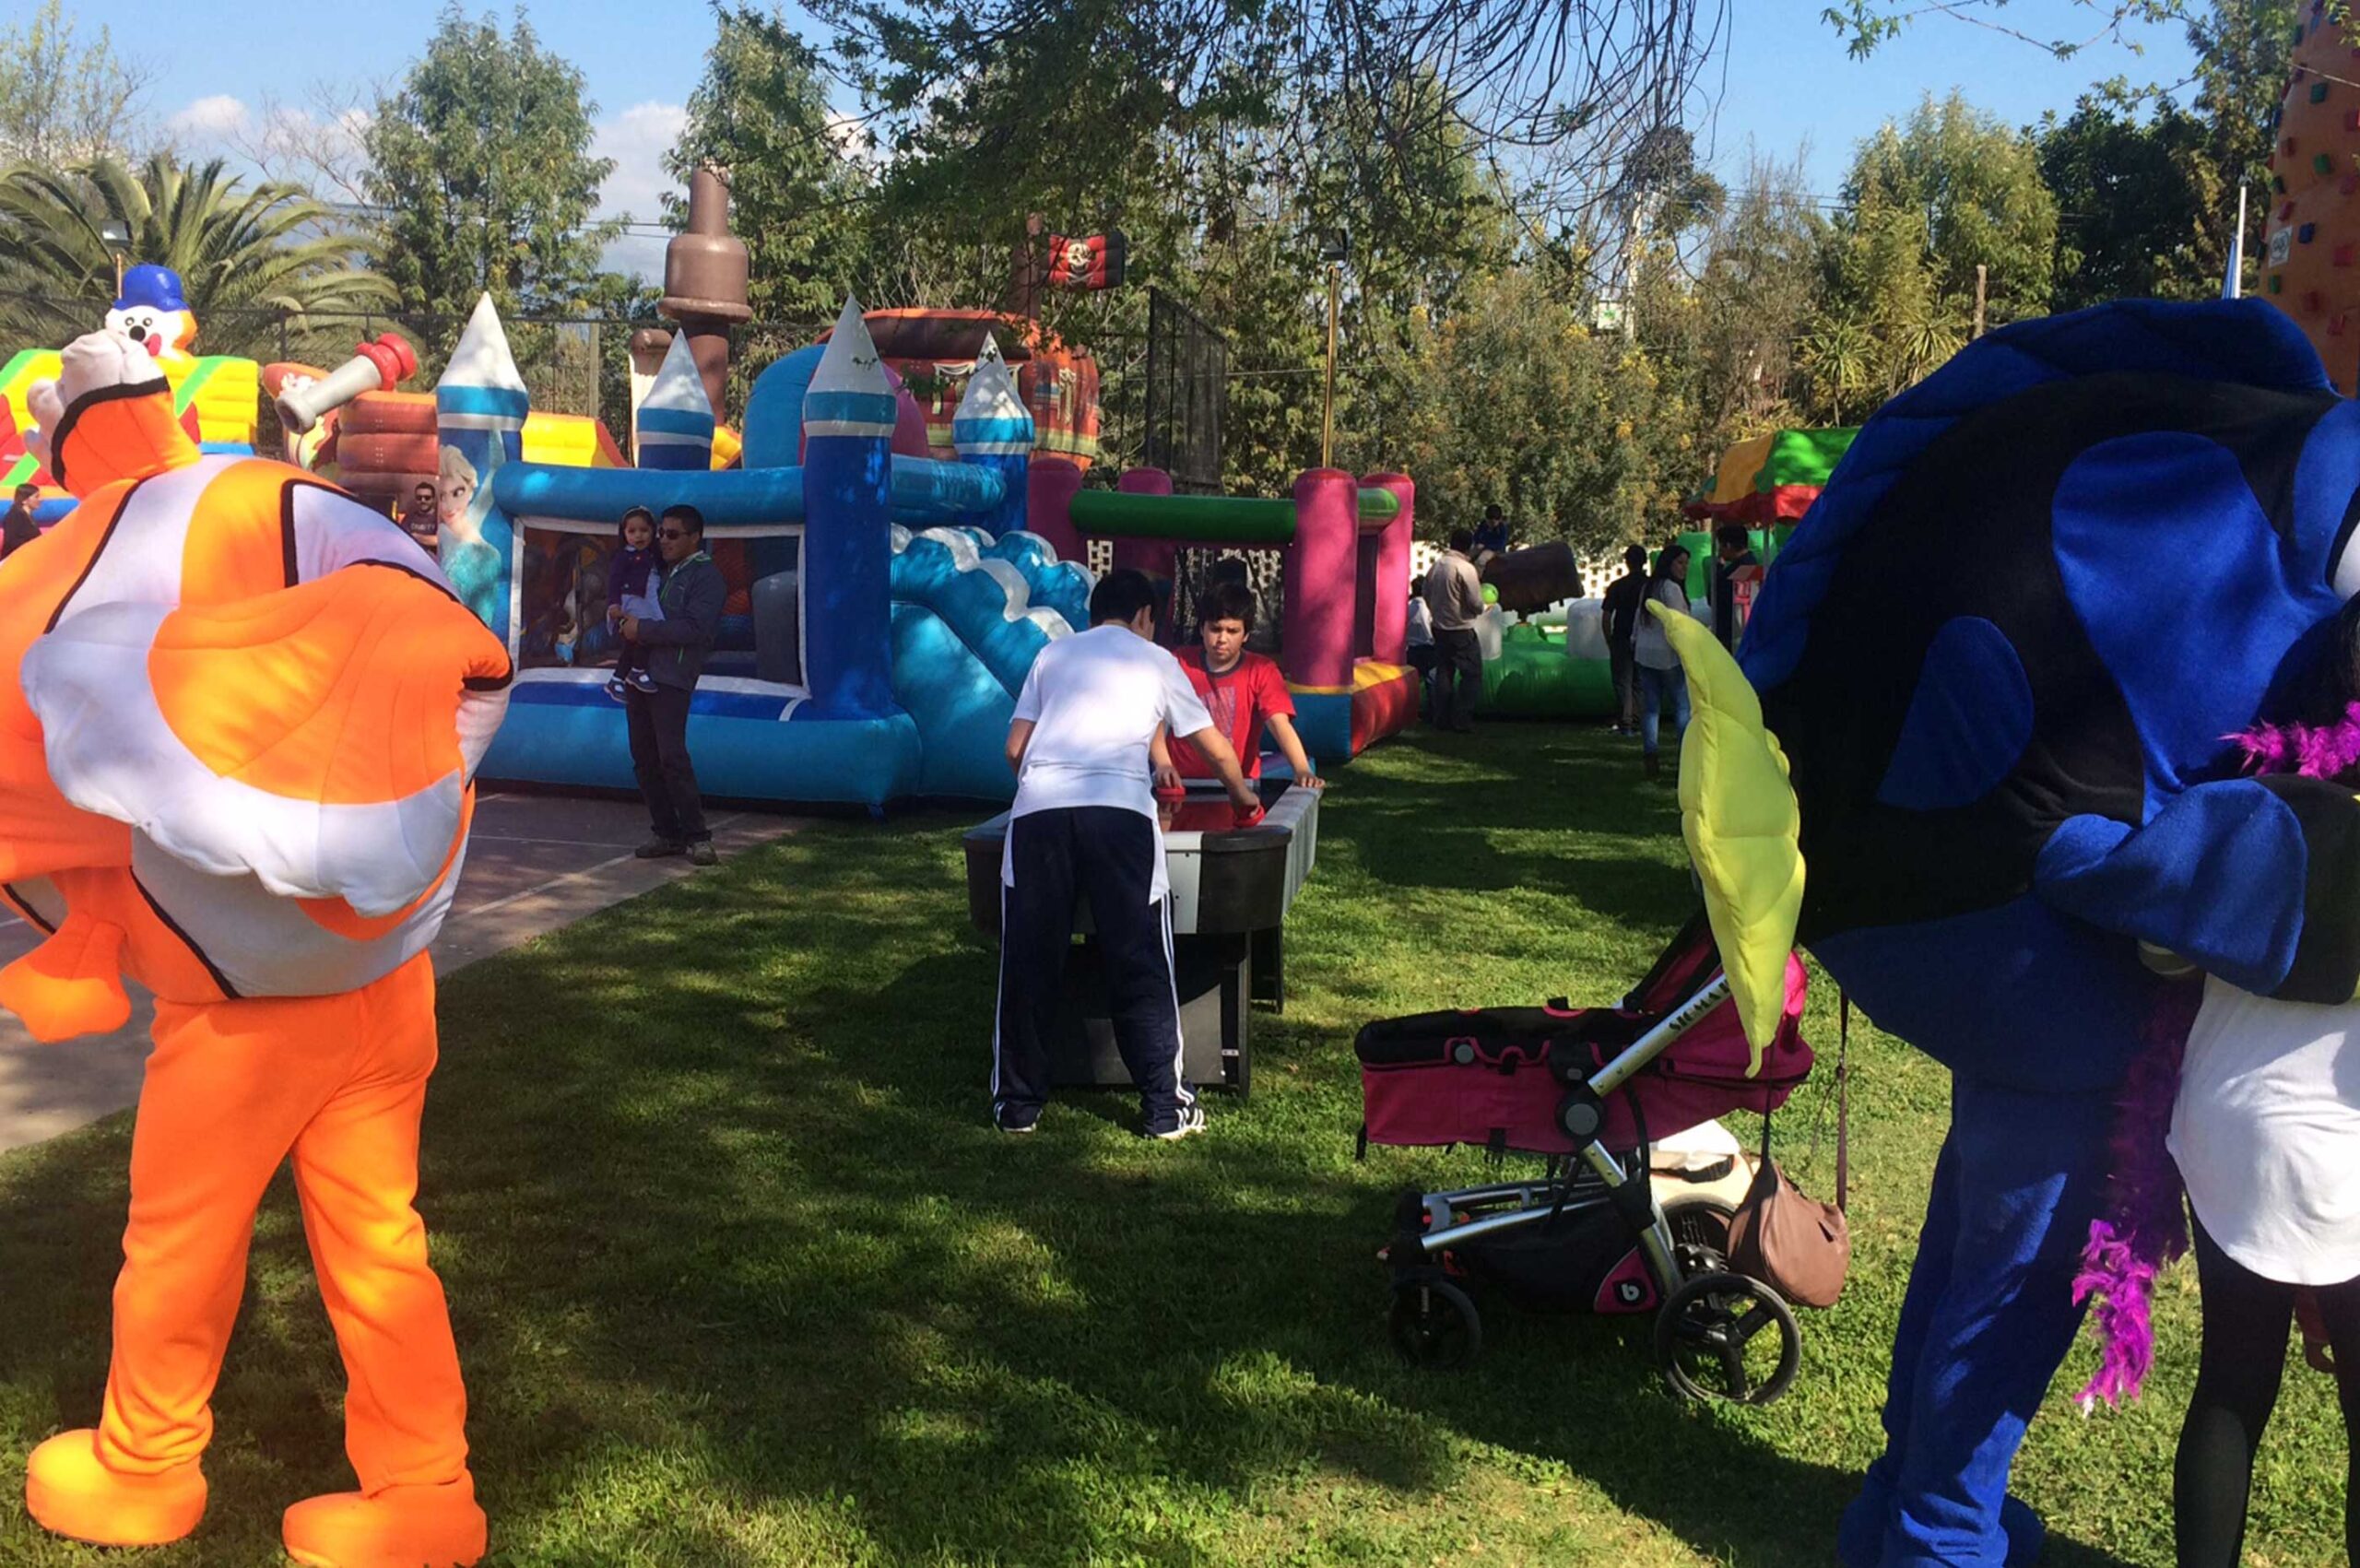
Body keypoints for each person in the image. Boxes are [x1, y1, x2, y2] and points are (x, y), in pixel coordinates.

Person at [996, 569, 1259, 1140]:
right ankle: (1164, 1109)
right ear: (1144, 616)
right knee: (1138, 958)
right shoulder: (1154, 658)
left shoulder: (1053, 655)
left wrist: (1043, 788)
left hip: (1040, 811)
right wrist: (1244, 800)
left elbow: (1016, 747)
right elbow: (1212, 745)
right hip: (1118, 812)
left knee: (1029, 960)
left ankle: (1018, 1106)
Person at [619, 504, 724, 867]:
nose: (663, 539)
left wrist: (642, 630)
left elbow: (696, 629)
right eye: (661, 532)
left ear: (696, 538)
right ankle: (666, 832)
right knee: (643, 758)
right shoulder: (658, 569)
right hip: (639, 674)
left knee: (672, 757)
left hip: (671, 679)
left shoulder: (705, 577)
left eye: (672, 534)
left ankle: (697, 836)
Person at [1155, 579, 1325, 790]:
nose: (1222, 639)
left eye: (1232, 631)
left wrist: (1301, 769)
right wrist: (1163, 764)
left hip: (1240, 787)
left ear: (1246, 635)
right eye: (1215, 629)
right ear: (1202, 628)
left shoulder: (1262, 670)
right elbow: (1157, 719)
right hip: (1181, 786)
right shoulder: (1179, 663)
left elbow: (1280, 724)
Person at [1632, 543, 1691, 779]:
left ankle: (1651, 753)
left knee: (1651, 708)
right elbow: (1680, 622)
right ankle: (1686, 756)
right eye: (1680, 563)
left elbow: (1638, 617)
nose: (1684, 568)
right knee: (1682, 706)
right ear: (1669, 563)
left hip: (1645, 653)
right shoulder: (1671, 589)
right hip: (1668, 655)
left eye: (1686, 564)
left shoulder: (1649, 586)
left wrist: (1635, 640)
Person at [1423, 528, 1486, 733]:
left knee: (1444, 672)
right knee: (1472, 674)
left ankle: (1441, 718)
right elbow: (1475, 602)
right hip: (1461, 628)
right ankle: (1462, 719)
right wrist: (1484, 607)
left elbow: (1426, 593)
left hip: (1439, 627)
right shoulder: (1465, 568)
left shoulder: (1437, 566)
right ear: (1469, 546)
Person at [604, 506, 661, 702]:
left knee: (636, 641)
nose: (639, 536)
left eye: (644, 530)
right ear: (624, 534)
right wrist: (613, 605)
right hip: (631, 600)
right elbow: (614, 581)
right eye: (632, 531)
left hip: (647, 599)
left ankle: (618, 678)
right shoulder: (624, 556)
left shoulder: (653, 555)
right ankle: (636, 670)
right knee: (641, 634)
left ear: (653, 532)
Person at [1599, 544, 1648, 737]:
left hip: (1621, 636)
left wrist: (1609, 639)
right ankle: (1638, 721)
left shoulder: (1618, 586)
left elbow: (1606, 616)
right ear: (1644, 562)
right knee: (1639, 682)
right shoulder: (1650, 585)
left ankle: (1625, 723)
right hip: (1644, 638)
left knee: (1622, 681)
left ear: (1626, 562)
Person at [1709, 523, 1762, 651]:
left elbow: (1714, 597)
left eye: (1720, 546)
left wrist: (1718, 569)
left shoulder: (1736, 571)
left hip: (1731, 634)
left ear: (1727, 545)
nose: (1719, 551)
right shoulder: (1753, 564)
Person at [1405, 576, 1437, 722]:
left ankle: (1411, 710)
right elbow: (1428, 626)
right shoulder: (1427, 606)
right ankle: (1433, 711)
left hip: (1412, 648)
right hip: (1427, 648)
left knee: (1413, 682)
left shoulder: (1409, 605)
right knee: (1432, 681)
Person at [398, 480, 440, 558]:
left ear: (433, 499)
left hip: (432, 561)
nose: (423, 501)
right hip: (412, 558)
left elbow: (438, 541)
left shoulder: (439, 518)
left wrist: (415, 536)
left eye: (427, 498)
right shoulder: (409, 517)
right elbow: (401, 538)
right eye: (419, 498)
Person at [2, 482, 39, 560]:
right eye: (36, 497)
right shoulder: (14, 516)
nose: (39, 500)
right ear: (24, 500)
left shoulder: (29, 517)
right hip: (15, 561)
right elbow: (11, 541)